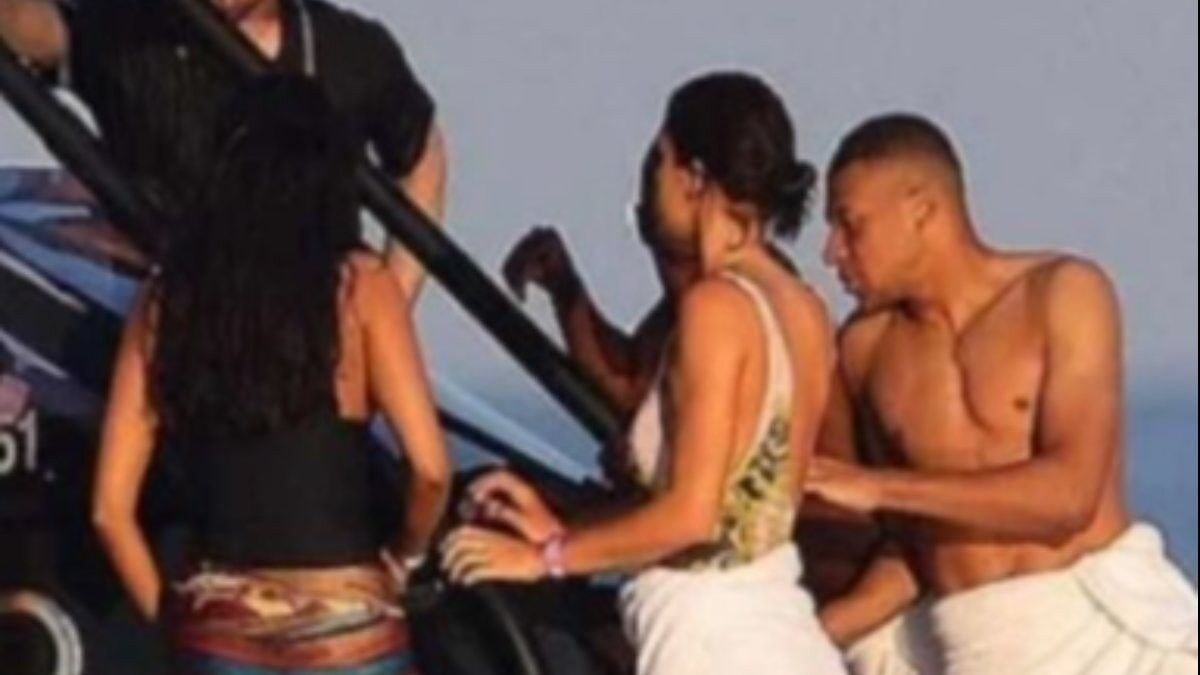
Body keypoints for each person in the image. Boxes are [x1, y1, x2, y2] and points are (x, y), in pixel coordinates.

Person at [442, 71, 846, 675]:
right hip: (781, 634)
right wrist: (563, 529)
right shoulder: (804, 310)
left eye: (659, 161)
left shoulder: (714, 308)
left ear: (694, 178)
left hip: (711, 643)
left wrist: (546, 558)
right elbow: (739, 519)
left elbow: (691, 516)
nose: (650, 180)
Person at [809, 113, 1198, 674]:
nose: (832, 252)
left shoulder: (1063, 294)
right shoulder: (863, 350)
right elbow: (912, 543)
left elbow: (1069, 496)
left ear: (921, 211)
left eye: (850, 225)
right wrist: (805, 639)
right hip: (977, 645)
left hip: (1103, 637)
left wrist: (879, 487)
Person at [90, 76, 451, 674]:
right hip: (347, 623)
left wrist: (176, 628)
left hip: (221, 628)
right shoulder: (360, 288)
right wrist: (401, 559)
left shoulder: (168, 301)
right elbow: (431, 472)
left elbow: (109, 510)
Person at [0, 0, 446, 304]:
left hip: (310, 353)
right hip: (172, 334)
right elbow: (37, 31)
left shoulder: (347, 50)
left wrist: (393, 300)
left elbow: (421, 157)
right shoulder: (131, 29)